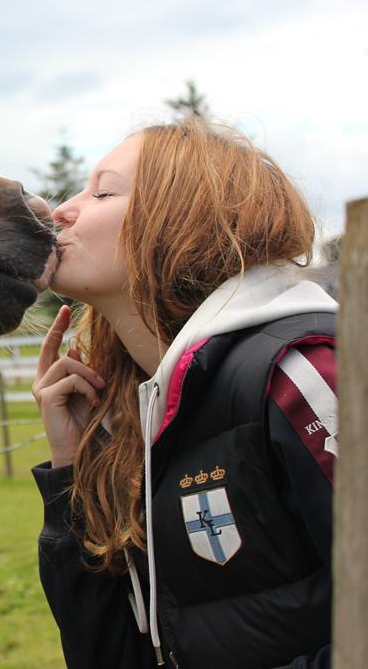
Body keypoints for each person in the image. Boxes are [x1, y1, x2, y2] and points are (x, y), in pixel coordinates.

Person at [30, 118, 337, 669]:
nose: (61, 211)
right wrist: (71, 470)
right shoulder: (145, 411)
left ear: (184, 214)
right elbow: (110, 654)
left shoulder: (301, 371)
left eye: (102, 191)